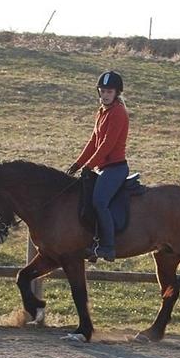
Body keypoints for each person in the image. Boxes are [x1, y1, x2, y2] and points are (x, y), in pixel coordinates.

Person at [67, 70, 130, 262]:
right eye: (102, 91)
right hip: (102, 168)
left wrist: (89, 165)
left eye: (109, 92)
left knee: (100, 202)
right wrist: (78, 164)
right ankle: (92, 242)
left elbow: (107, 144)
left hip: (115, 168)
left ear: (116, 93)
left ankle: (108, 247)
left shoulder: (118, 112)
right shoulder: (102, 112)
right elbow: (94, 141)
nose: (105, 95)